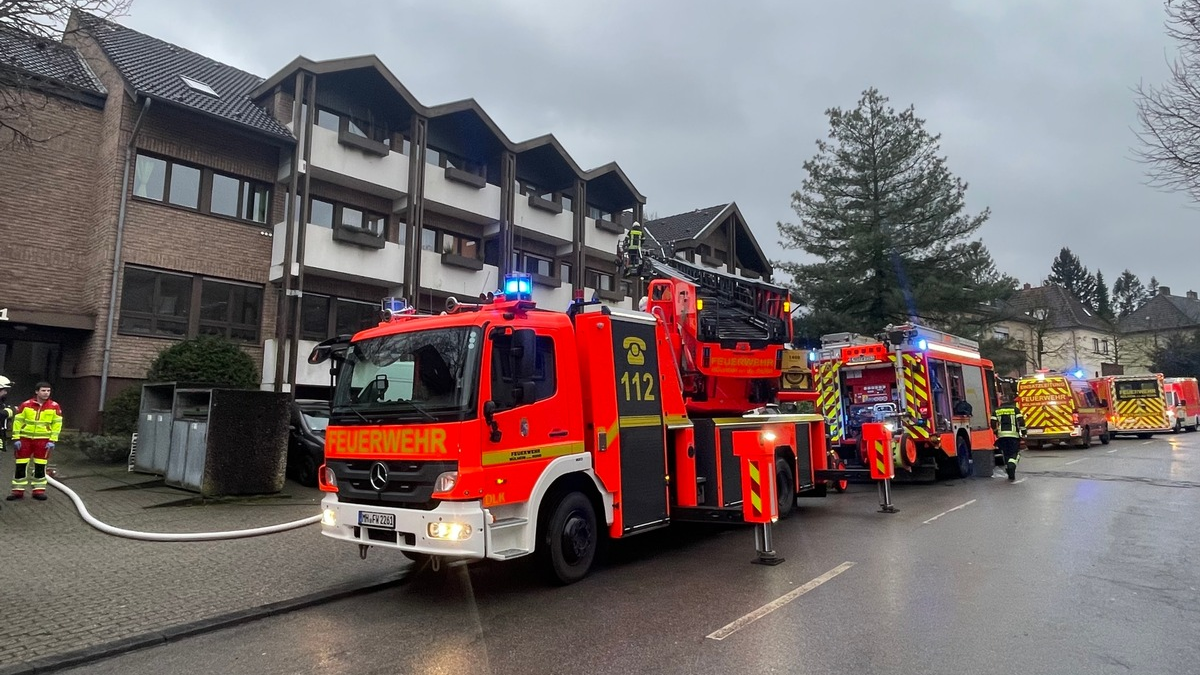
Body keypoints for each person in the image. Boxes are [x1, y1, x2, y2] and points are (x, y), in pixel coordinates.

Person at [9, 381, 63, 501]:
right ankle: (17, 491)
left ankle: (38, 491)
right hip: (24, 440)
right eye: (43, 390)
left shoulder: (54, 406)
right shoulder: (26, 405)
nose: (46, 393)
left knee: (40, 466)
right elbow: (18, 422)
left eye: (48, 391)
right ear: (37, 392)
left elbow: (57, 424)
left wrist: (52, 440)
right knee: (20, 465)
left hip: (43, 441)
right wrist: (16, 438)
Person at [991, 397, 1026, 481]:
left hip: (1002, 435)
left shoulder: (996, 410)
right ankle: (1011, 465)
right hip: (1013, 435)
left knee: (1006, 453)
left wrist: (996, 432)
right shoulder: (1015, 410)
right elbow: (1021, 421)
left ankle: (1010, 473)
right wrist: (1024, 432)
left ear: (1001, 402)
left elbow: (992, 423)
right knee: (1014, 453)